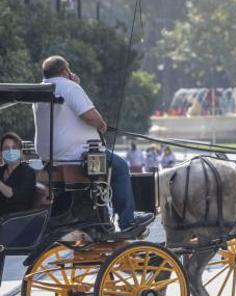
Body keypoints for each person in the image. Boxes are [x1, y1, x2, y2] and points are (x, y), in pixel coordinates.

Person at [32, 55, 152, 231]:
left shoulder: (40, 90)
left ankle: (102, 217)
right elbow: (90, 115)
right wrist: (102, 125)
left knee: (114, 165)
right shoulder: (69, 87)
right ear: (65, 71)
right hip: (77, 155)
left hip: (49, 157)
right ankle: (127, 221)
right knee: (120, 167)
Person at [0, 133, 36, 214]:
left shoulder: (27, 172)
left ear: (20, 151)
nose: (10, 151)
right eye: (6, 148)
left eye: (14, 148)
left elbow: (13, 195)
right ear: (2, 152)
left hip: (14, 218)